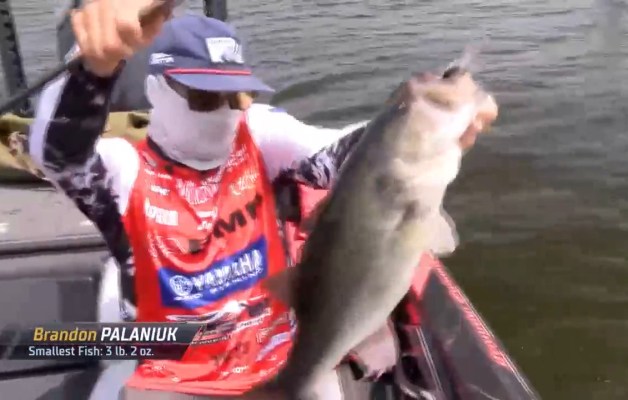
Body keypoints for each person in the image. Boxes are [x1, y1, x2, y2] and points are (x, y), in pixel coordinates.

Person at [28, 0, 498, 399]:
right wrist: (96, 69)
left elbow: (344, 157)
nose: (228, 112)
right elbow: (58, 155)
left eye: (238, 95)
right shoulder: (124, 171)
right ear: (157, 91)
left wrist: (423, 119)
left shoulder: (258, 135)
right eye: (205, 98)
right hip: (177, 368)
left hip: (282, 354)